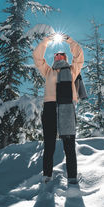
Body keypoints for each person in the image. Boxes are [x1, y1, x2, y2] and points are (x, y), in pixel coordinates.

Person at [33, 33, 84, 184]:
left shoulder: (73, 70)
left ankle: (72, 177)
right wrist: (47, 40)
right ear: (53, 58)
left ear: (66, 58)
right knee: (49, 144)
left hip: (67, 108)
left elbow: (79, 56)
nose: (59, 56)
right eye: (56, 54)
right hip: (49, 108)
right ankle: (47, 175)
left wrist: (69, 40)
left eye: (62, 54)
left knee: (69, 144)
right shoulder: (48, 71)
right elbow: (37, 57)